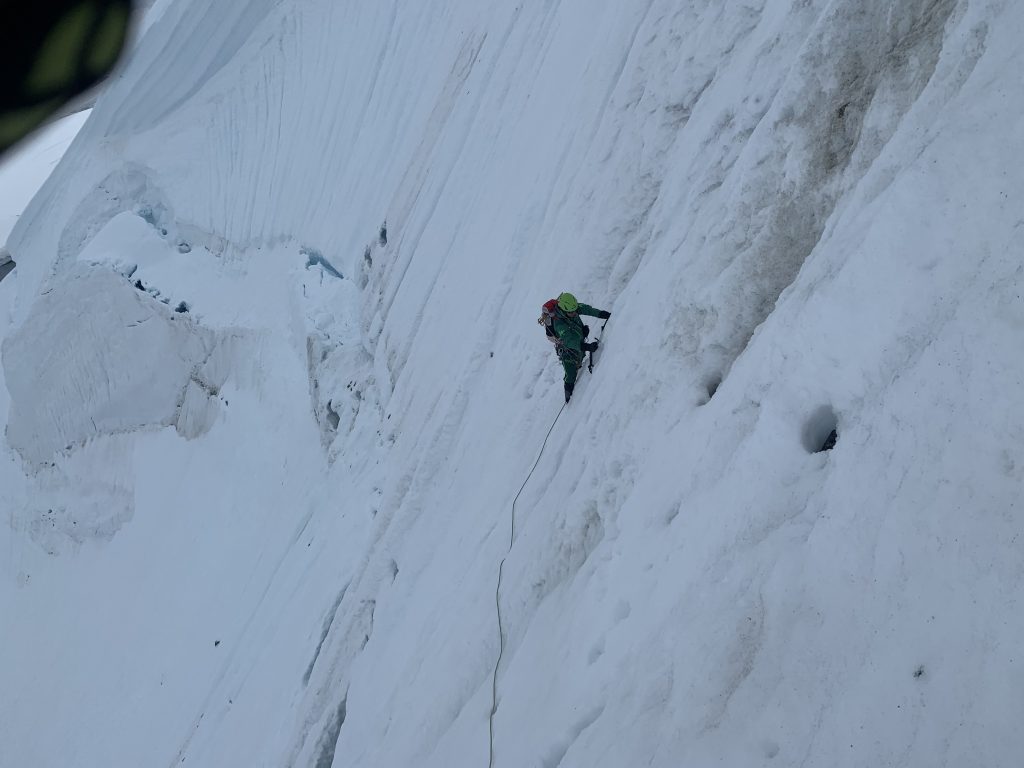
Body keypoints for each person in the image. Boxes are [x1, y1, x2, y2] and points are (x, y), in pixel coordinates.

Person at [539, 292, 610, 403]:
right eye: (571, 312)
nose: (574, 313)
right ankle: (568, 395)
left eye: (575, 310)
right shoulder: (559, 324)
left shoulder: (572, 308)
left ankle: (579, 363)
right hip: (567, 348)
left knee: (580, 359)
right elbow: (569, 340)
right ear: (563, 310)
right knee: (571, 372)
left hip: (577, 337)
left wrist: (602, 314)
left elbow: (587, 309)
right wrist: (585, 346)